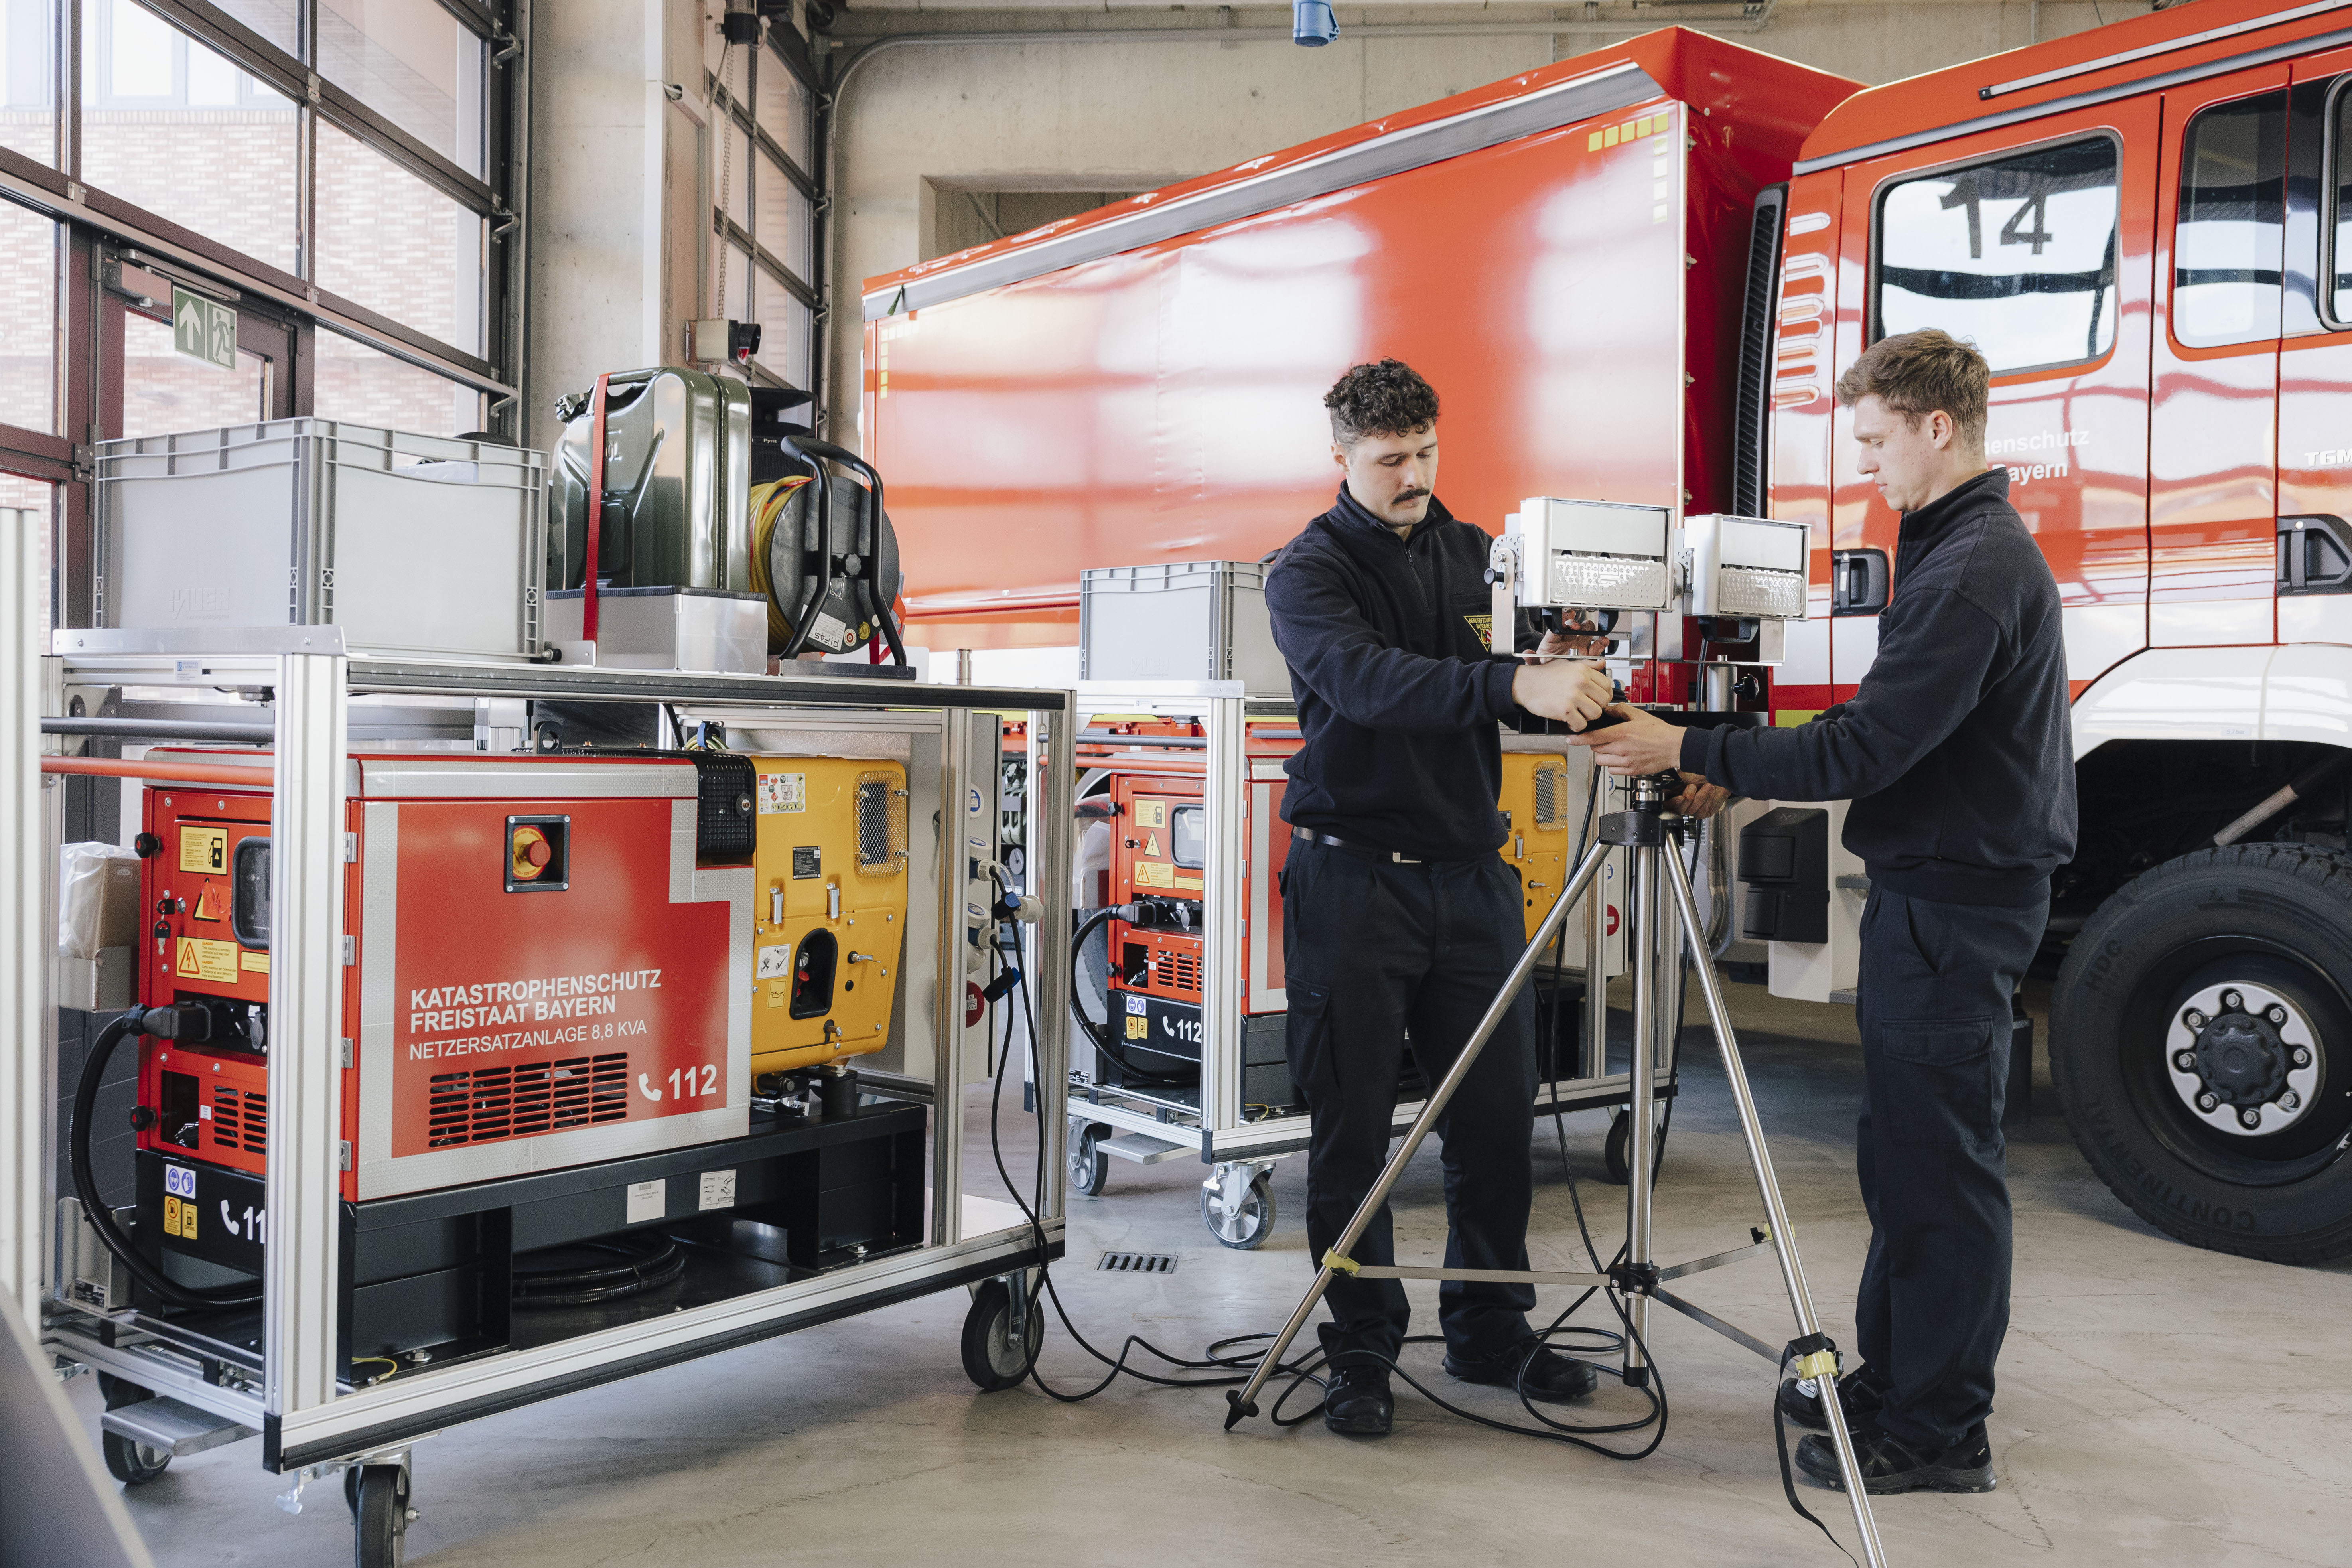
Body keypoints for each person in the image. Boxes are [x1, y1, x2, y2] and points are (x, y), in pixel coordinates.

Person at [1573, 329, 2076, 1494]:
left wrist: (1689, 744)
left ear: (1936, 427)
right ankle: (1893, 1382)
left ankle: (1939, 1431)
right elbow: (1886, 731)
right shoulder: (1951, 550)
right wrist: (1723, 764)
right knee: (1902, 1162)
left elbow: (1867, 746)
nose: (1866, 463)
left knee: (1939, 1178)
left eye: (1875, 439)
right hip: (1930, 896)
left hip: (1953, 908)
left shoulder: (1973, 568)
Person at [1264, 358, 1622, 1439]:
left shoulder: (1477, 558)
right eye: (1390, 460)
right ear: (1340, 457)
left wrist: (1556, 669)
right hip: (1353, 880)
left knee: (1497, 1118)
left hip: (1472, 880)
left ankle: (1489, 1330)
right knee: (1352, 1133)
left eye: (1425, 452)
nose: (1414, 475)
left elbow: (1509, 692)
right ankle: (1360, 1349)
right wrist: (1510, 679)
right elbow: (1369, 683)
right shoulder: (1306, 573)